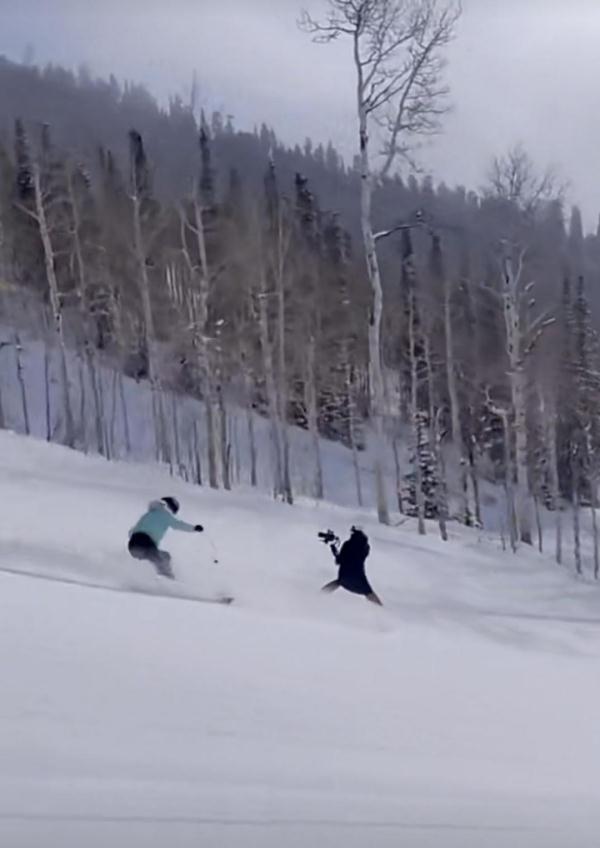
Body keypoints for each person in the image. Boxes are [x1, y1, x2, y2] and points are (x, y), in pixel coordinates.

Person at [128, 496, 204, 579]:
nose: (172, 513)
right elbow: (178, 524)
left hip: (133, 544)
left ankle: (141, 579)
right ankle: (169, 581)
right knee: (162, 561)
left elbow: (131, 532)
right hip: (146, 543)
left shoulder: (148, 514)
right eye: (173, 511)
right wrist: (194, 528)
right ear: (169, 507)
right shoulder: (164, 514)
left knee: (164, 556)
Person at [321, 526, 383, 606]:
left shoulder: (347, 544)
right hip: (358, 576)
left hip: (345, 574)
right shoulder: (365, 547)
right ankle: (380, 607)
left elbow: (339, 561)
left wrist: (334, 550)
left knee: (339, 582)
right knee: (368, 592)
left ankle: (319, 595)